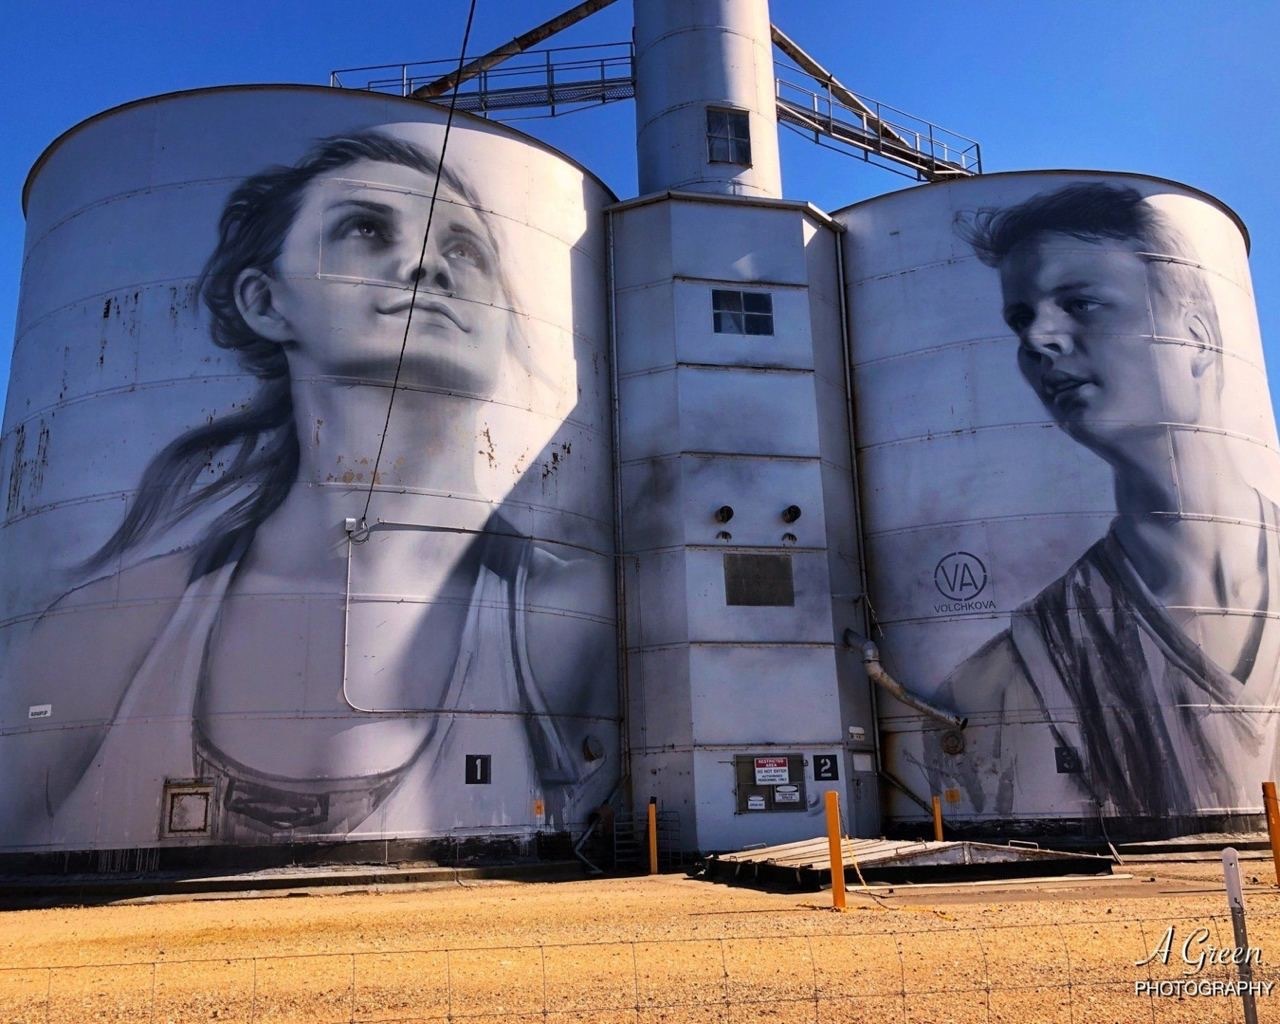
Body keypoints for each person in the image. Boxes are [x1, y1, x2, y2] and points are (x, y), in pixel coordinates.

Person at [1, 130, 613, 846]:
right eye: (365, 229)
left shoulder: (570, 614)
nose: (426, 267)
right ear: (266, 301)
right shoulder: (113, 626)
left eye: (465, 251)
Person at [918, 183, 1280, 829]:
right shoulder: (1005, 684)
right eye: (1021, 319)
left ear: (1196, 334)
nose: (1040, 340)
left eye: (1081, 303)